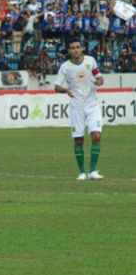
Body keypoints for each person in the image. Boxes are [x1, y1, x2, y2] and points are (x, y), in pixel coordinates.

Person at [54, 40, 104, 180]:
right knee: (79, 141)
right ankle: (82, 172)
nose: (75, 50)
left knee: (96, 136)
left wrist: (98, 81)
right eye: (72, 48)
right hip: (77, 107)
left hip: (92, 105)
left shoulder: (91, 61)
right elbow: (56, 87)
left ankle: (93, 171)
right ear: (69, 50)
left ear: (82, 48)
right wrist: (65, 90)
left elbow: (100, 77)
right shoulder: (65, 67)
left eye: (77, 47)